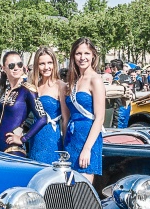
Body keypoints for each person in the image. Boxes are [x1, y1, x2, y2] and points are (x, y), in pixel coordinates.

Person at [64, 38, 105, 182]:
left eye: (86, 53)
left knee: (83, 188)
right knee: (69, 186)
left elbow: (99, 118)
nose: (82, 58)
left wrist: (87, 149)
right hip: (72, 137)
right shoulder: (74, 80)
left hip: (88, 137)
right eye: (78, 53)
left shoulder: (96, 80)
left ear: (93, 55)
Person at [0, 51, 47, 157]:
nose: (16, 68)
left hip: (13, 149)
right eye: (12, 65)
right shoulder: (6, 89)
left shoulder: (28, 89)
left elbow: (43, 118)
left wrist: (23, 138)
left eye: (19, 64)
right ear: (4, 68)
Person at [28, 47, 69, 164]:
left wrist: (66, 147)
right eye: (42, 64)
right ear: (37, 65)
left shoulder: (60, 86)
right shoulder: (33, 86)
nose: (46, 67)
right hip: (34, 138)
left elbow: (65, 120)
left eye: (49, 63)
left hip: (52, 139)